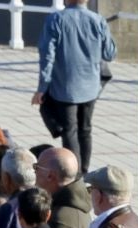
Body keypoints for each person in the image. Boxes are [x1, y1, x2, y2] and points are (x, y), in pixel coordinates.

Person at [32, 0, 113, 173]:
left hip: (65, 87)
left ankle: (73, 173)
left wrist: (42, 87)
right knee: (85, 129)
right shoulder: (98, 20)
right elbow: (110, 53)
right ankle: (84, 170)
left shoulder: (55, 20)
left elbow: (47, 56)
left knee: (70, 130)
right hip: (91, 86)